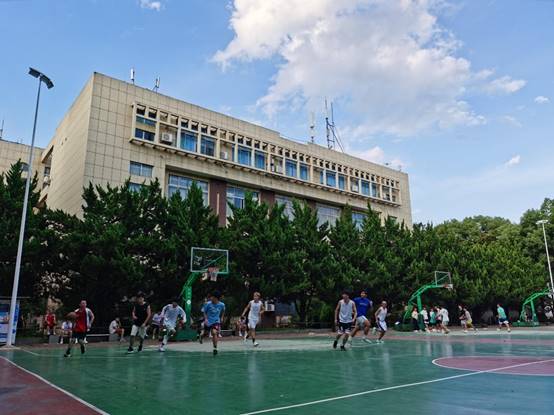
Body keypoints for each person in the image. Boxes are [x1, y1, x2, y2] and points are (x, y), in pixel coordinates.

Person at [203, 291, 226, 355]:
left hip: (216, 321)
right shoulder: (208, 304)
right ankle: (201, 337)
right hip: (208, 321)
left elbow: (223, 310)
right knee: (205, 334)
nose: (211, 298)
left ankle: (215, 348)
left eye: (212, 297)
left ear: (216, 298)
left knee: (214, 332)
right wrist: (206, 319)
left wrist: (222, 317)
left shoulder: (222, 305)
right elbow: (204, 312)